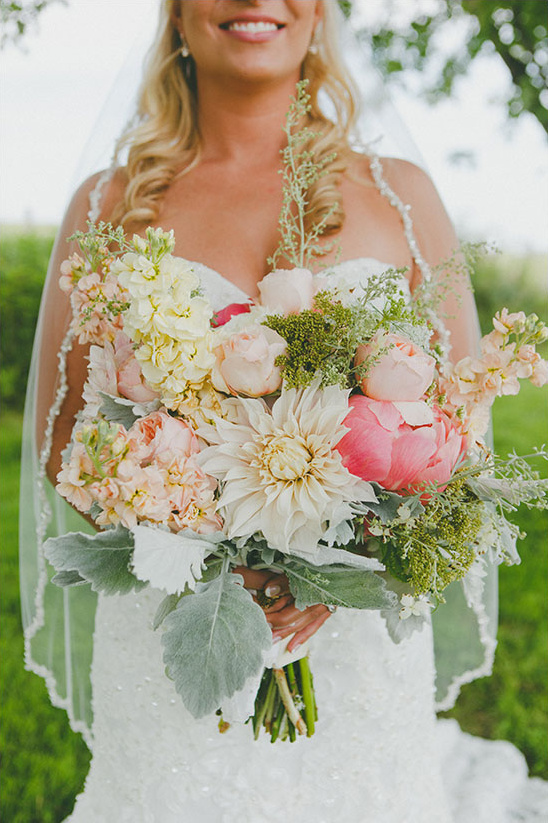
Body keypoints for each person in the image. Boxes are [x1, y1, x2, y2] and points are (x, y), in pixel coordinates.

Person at [21, 1, 547, 821]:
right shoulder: (109, 202)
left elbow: (462, 421)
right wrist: (192, 539)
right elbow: (64, 438)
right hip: (172, 634)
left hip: (354, 648)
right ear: (177, 12)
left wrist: (345, 560)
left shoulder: (400, 194)